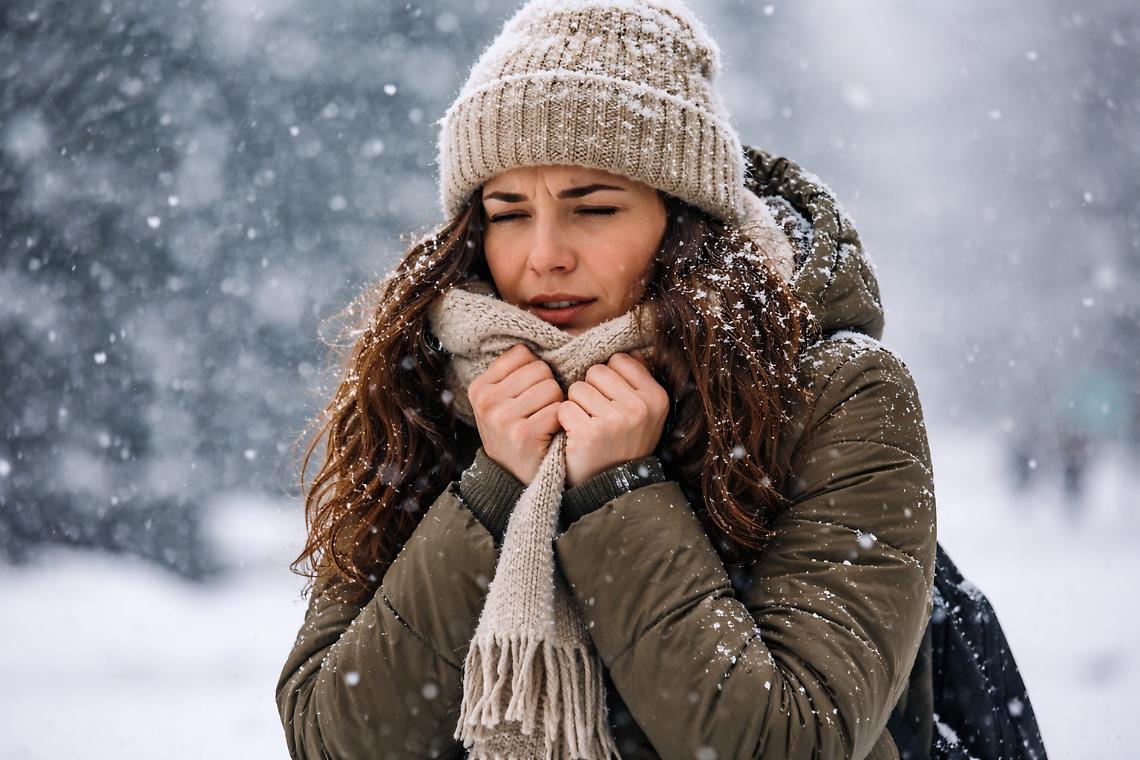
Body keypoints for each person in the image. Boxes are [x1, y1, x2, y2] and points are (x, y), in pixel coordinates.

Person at [276, 1, 937, 758]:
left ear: (684, 220)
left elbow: (790, 742)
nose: (545, 254)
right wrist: (491, 491)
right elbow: (333, 739)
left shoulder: (834, 394)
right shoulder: (426, 387)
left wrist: (619, 492)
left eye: (593, 207)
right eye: (508, 212)